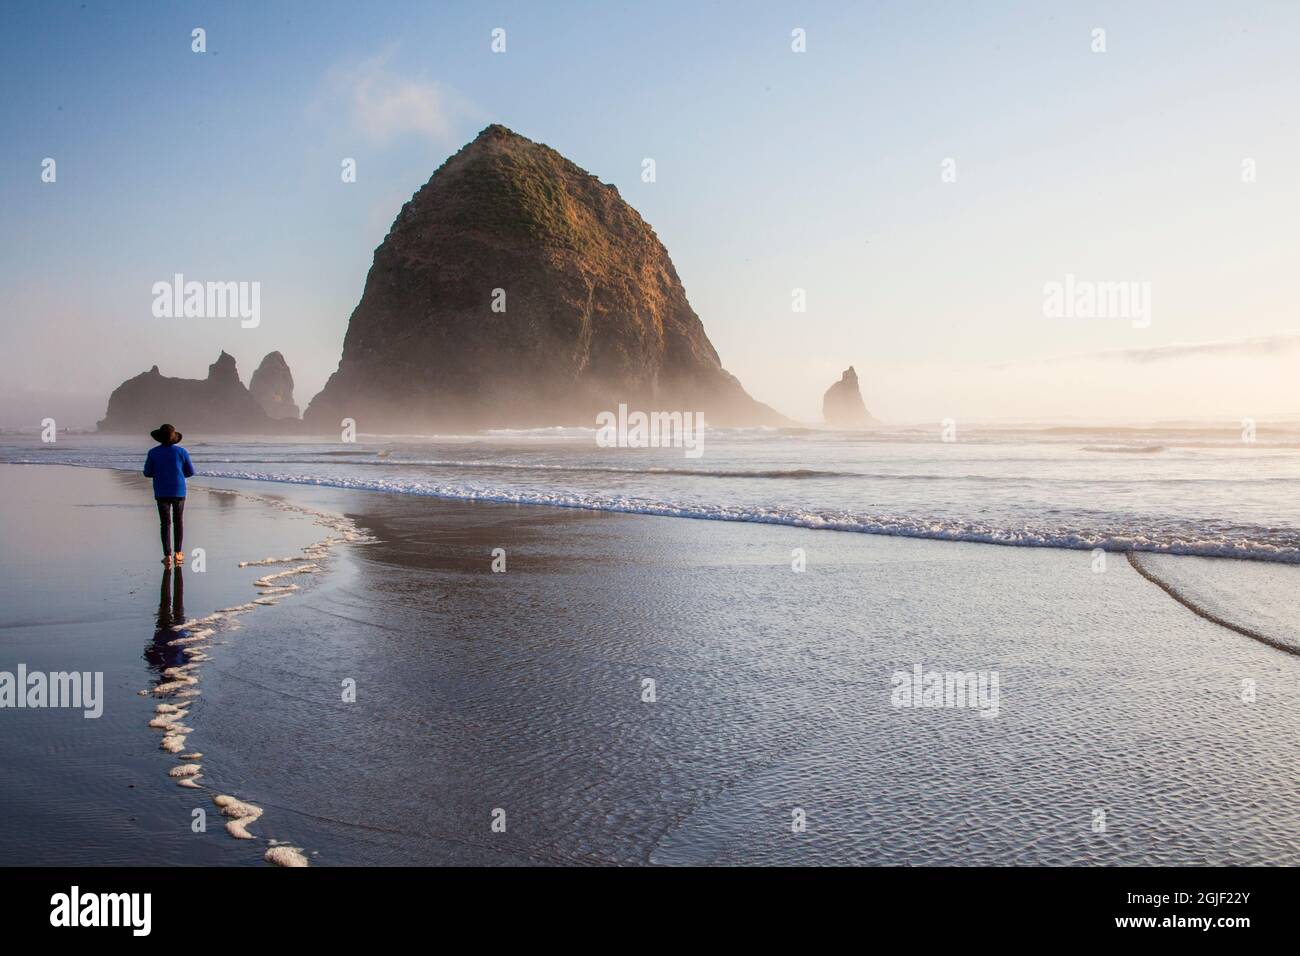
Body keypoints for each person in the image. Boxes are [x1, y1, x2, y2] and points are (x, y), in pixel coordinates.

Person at [143, 424, 194, 567]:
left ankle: (167, 556)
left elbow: (147, 472)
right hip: (179, 490)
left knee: (165, 523)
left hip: (161, 491)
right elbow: (190, 472)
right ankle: (178, 554)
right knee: (178, 522)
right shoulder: (181, 452)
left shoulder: (153, 453)